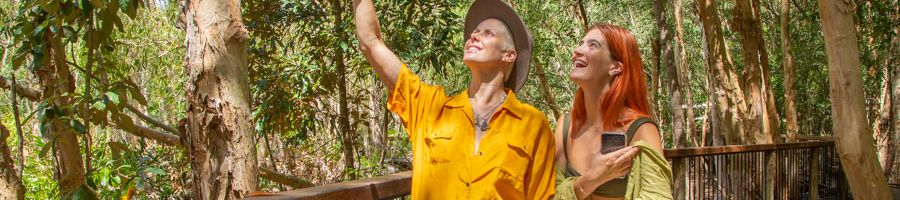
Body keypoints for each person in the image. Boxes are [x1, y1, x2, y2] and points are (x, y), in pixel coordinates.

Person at [351, 0, 555, 199]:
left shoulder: (533, 126)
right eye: (474, 32)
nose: (474, 36)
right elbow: (371, 43)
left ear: (509, 55)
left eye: (488, 33)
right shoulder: (430, 107)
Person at [554, 23, 669, 200]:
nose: (577, 50)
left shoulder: (640, 129)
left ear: (615, 67)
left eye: (593, 45)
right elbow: (551, 194)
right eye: (580, 43)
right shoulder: (565, 126)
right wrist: (592, 179)